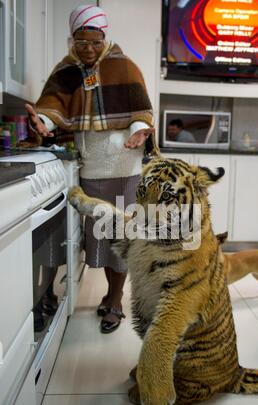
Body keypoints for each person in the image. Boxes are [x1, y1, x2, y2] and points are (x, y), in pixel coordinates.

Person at [26, 4, 156, 334]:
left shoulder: (124, 66)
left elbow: (140, 109)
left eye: (94, 42)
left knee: (121, 235)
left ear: (103, 36)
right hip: (93, 167)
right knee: (97, 235)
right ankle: (100, 294)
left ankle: (114, 300)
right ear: (73, 39)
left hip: (126, 167)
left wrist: (139, 128)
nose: (88, 50)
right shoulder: (67, 68)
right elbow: (52, 105)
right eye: (81, 43)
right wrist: (41, 121)